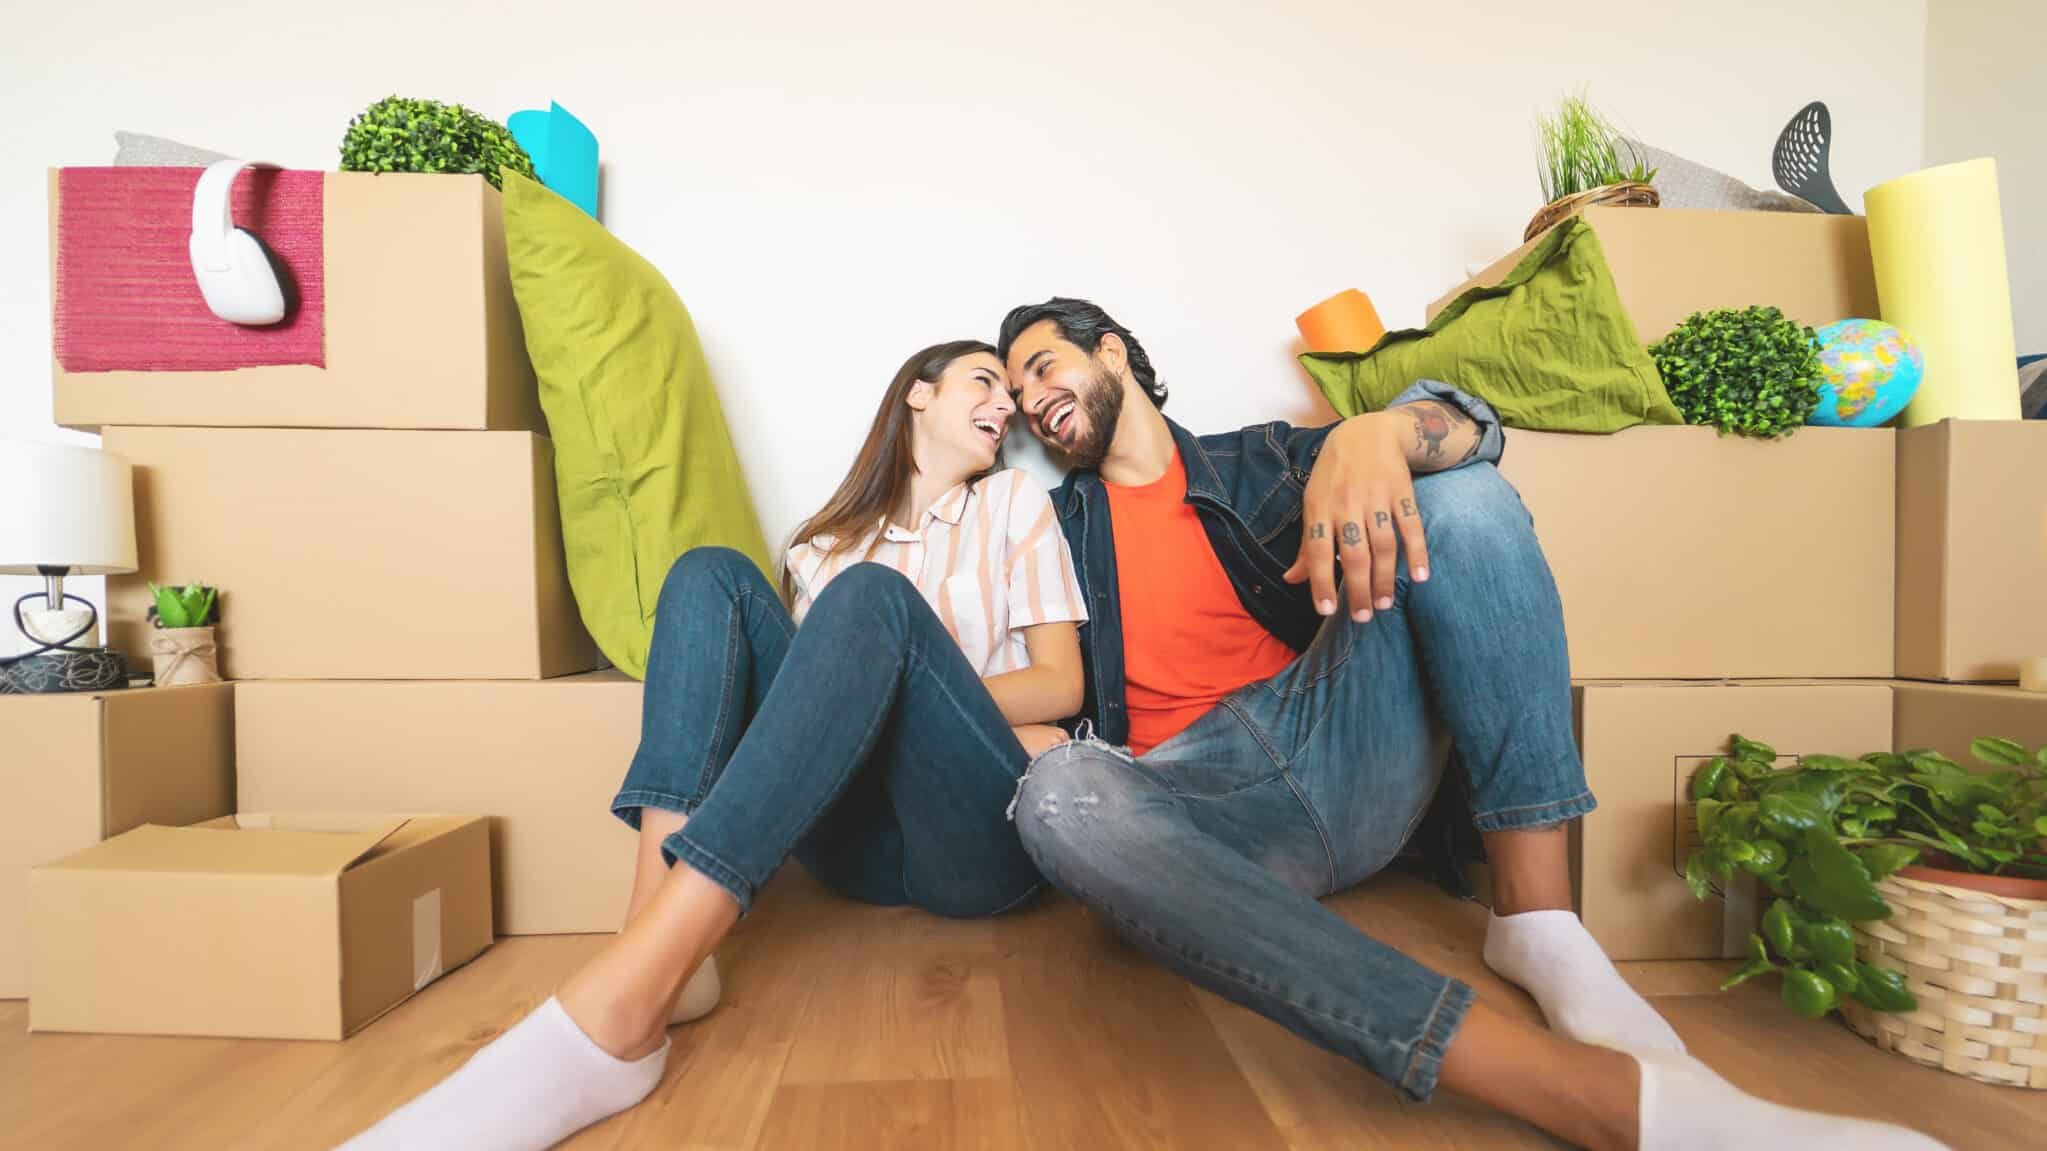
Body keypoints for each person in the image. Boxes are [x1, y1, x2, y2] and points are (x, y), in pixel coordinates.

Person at [997, 297, 1947, 1151]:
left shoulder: (1265, 460)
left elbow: (1473, 434)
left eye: (1043, 366)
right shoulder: (1047, 528)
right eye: (1016, 392)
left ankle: (1537, 920)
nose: (1032, 399)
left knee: (1460, 496)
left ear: (1111, 352)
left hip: (1339, 739)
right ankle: (1582, 1093)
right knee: (1057, 793)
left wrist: (1375, 431)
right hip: (1197, 809)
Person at [338, 340, 1087, 1151]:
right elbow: (808, 725)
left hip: (969, 836)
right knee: (708, 573)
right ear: (917, 393)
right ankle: (657, 939)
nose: (1006, 405)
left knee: (875, 598)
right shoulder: (822, 548)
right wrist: (871, 695)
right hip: (856, 848)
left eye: (1009, 395)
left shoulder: (1012, 502)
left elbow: (1059, 685)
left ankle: (625, 1000)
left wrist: (910, 698)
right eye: (985, 381)